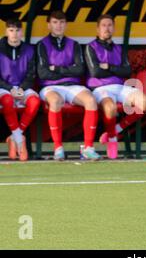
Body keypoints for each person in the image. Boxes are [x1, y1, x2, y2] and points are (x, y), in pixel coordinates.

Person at [37, 10, 101, 161]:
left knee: (91, 101)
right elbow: (43, 73)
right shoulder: (41, 45)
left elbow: (79, 70)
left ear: (65, 25)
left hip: (73, 85)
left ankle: (88, 148)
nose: (58, 26)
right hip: (50, 86)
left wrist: (57, 68)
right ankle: (58, 148)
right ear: (49, 25)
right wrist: (68, 70)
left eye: (61, 22)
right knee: (55, 100)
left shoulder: (74, 44)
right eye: (55, 22)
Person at [85, 14, 146, 159]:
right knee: (110, 108)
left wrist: (107, 66)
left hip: (120, 86)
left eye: (109, 25)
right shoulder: (91, 47)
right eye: (103, 25)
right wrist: (115, 69)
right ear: (97, 28)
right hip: (101, 88)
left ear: (113, 28)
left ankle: (115, 129)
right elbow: (95, 71)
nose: (107, 28)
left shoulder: (119, 48)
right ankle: (113, 139)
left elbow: (127, 71)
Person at [0, 19, 40, 161]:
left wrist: (22, 89)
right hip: (4, 88)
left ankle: (15, 137)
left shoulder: (29, 49)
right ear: (6, 31)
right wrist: (10, 89)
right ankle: (20, 141)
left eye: (17, 30)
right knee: (7, 100)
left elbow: (31, 74)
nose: (14, 34)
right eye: (11, 30)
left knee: (35, 102)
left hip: (23, 87)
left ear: (21, 32)